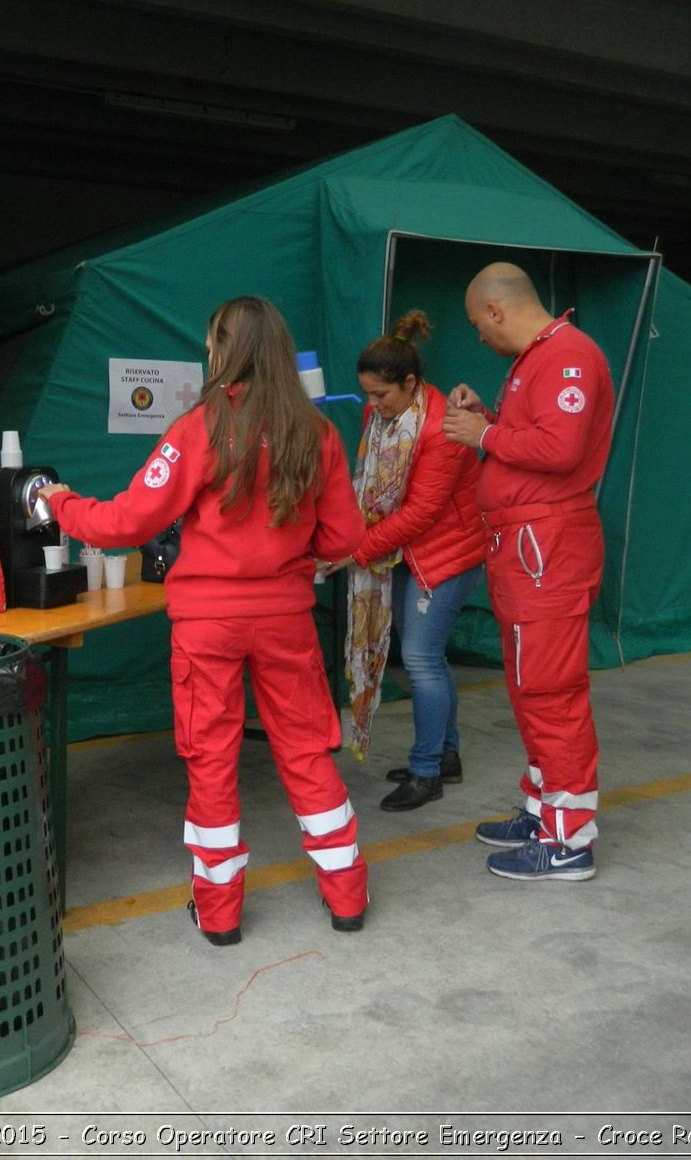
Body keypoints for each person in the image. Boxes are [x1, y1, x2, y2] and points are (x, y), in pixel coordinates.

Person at [37, 296, 369, 944]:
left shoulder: (200, 428)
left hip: (207, 625)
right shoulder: (318, 432)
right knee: (306, 752)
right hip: (287, 618)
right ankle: (347, 896)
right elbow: (346, 537)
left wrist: (63, 503)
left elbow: (127, 521)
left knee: (211, 759)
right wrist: (294, 557)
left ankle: (219, 916)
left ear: (223, 349)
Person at [441, 262, 613, 882]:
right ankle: (546, 811)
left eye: (476, 326)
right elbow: (533, 436)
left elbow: (561, 449)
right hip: (526, 549)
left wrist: (484, 434)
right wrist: (487, 418)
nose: (479, 339)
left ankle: (569, 841)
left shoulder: (568, 355)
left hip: (548, 548)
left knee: (552, 693)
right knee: (529, 687)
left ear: (495, 310)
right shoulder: (535, 359)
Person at [339, 309, 488, 812]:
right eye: (367, 393)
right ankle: (447, 756)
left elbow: (422, 512)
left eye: (381, 394)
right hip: (408, 554)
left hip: (446, 555)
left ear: (410, 382)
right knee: (427, 658)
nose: (372, 404)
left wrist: (357, 551)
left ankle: (427, 773)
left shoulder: (442, 428)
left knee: (422, 660)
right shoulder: (386, 413)